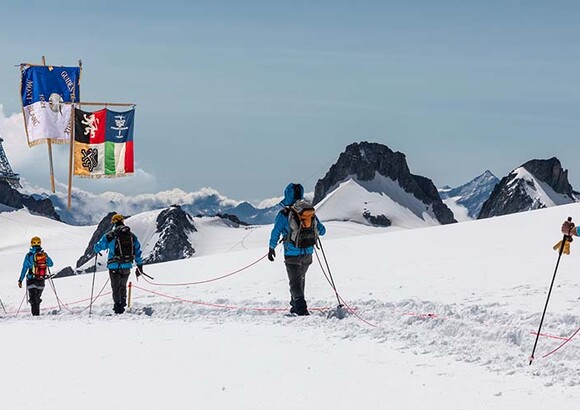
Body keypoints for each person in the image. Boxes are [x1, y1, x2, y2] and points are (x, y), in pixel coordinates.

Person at [268, 183, 326, 316]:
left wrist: (271, 248)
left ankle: (301, 310)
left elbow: (275, 232)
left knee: (295, 283)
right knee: (300, 279)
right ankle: (295, 305)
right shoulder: (309, 212)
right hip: (308, 252)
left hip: (292, 254)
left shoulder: (284, 214)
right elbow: (322, 230)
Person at [94, 214, 144, 314]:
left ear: (113, 222)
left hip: (114, 266)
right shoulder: (131, 236)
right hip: (127, 265)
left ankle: (118, 307)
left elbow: (98, 247)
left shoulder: (110, 235)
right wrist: (140, 266)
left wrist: (95, 248)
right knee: (123, 285)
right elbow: (137, 251)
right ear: (122, 221)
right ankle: (123, 304)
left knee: (115, 287)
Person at [18, 236, 54, 316]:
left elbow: (24, 268)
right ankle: (36, 316)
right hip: (41, 280)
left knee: (33, 300)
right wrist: (46, 258)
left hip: (31, 279)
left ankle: (36, 318)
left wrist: (20, 280)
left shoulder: (29, 255)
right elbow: (51, 264)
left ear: (31, 244)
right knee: (37, 298)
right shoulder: (44, 254)